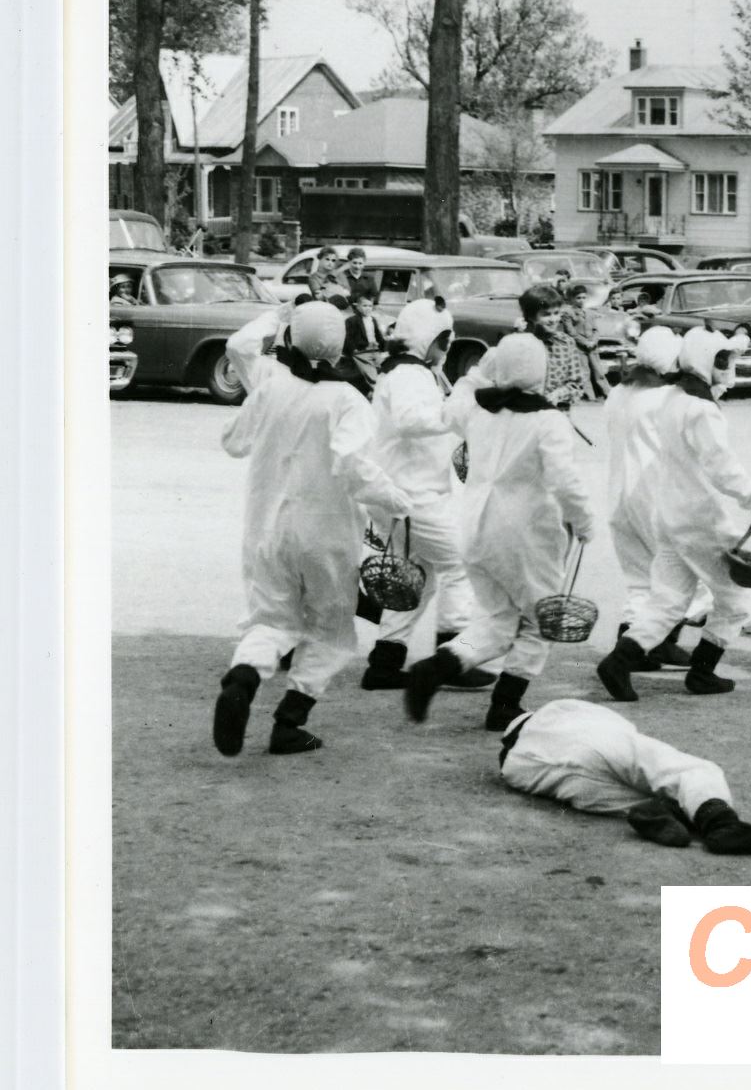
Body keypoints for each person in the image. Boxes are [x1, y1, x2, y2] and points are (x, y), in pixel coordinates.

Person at [211, 300, 417, 757]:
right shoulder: (347, 399)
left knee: (271, 620)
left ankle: (245, 674)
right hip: (327, 536)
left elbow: (233, 439)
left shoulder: (269, 385)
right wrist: (397, 501)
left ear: (292, 338)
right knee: (330, 630)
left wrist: (276, 315)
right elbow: (353, 465)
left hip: (267, 530)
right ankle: (289, 721)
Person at [403, 332, 596, 731]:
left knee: (495, 619)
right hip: (528, 535)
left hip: (475, 529)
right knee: (539, 620)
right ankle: (506, 703)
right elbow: (564, 481)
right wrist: (584, 520)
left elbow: (451, 408)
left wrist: (478, 373)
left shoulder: (477, 410)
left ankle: (444, 662)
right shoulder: (548, 420)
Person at [594, 327, 751, 700]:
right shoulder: (700, 408)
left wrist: (733, 348)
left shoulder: (672, 399)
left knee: (667, 600)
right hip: (698, 518)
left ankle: (619, 659)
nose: (727, 368)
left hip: (668, 515)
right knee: (738, 602)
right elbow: (719, 462)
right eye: (722, 361)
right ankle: (702, 672)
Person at [358, 296, 496, 693]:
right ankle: (451, 658)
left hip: (403, 492)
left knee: (419, 575)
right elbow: (410, 420)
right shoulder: (409, 374)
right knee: (461, 563)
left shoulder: (409, 370)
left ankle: (385, 662)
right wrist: (460, 403)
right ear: (430, 336)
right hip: (412, 494)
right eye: (445, 338)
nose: (448, 346)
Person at [497, 698, 751, 856]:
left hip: (569, 785)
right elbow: (621, 725)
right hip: (599, 743)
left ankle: (660, 812)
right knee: (687, 771)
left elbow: (512, 764)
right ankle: (723, 824)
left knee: (634, 798)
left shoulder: (511, 767)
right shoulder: (555, 709)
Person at [605, 325, 696, 672]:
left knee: (639, 576)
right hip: (654, 493)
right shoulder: (667, 398)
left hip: (619, 494)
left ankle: (633, 640)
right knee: (677, 575)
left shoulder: (619, 392)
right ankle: (659, 641)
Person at [521, 283, 594, 410]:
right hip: (525, 411)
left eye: (556, 313)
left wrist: (556, 395)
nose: (553, 319)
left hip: (556, 412)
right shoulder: (520, 343)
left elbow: (576, 385)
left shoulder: (566, 343)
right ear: (531, 317)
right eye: (546, 314)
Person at [340, 277, 386, 394]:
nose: (367, 309)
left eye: (370, 306)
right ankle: (376, 391)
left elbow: (378, 335)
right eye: (364, 306)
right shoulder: (352, 321)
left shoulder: (373, 319)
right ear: (358, 307)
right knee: (370, 373)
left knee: (384, 369)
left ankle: (378, 390)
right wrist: (353, 350)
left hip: (374, 349)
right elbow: (348, 337)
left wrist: (384, 346)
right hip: (361, 351)